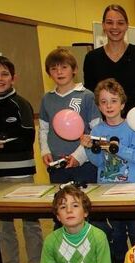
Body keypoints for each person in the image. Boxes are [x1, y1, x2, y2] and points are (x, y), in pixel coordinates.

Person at [0, 56, 44, 263]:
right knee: (2, 221)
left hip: (20, 170)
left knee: (29, 219)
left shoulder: (22, 104)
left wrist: (2, 140)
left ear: (13, 77)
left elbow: (27, 139)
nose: (0, 79)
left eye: (5, 74)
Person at [83, 4, 135, 181]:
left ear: (127, 25)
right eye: (109, 22)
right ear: (103, 25)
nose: (115, 27)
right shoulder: (92, 58)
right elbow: (90, 94)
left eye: (120, 23)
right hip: (106, 128)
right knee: (109, 174)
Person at [82, 78, 135, 263]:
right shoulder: (98, 131)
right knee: (117, 235)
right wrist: (88, 147)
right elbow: (98, 162)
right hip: (108, 190)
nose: (109, 106)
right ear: (99, 105)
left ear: (122, 104)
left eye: (113, 101)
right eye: (104, 102)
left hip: (131, 190)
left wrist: (118, 148)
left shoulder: (132, 128)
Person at [39, 47, 101, 186]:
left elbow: (96, 130)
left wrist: (79, 156)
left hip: (84, 164)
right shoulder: (47, 99)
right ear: (49, 73)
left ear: (74, 70)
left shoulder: (87, 96)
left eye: (64, 67)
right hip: (57, 165)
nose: (59, 72)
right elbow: (43, 129)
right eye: (54, 69)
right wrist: (45, 151)